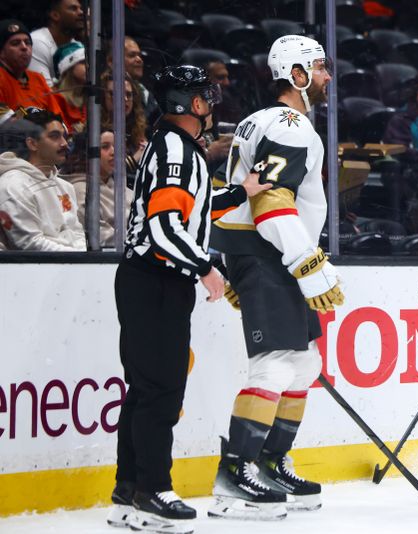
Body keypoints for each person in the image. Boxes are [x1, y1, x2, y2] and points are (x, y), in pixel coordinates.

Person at [107, 65, 271, 533]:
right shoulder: (176, 151)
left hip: (151, 281)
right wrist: (205, 268)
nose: (210, 103)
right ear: (189, 103)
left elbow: (193, 207)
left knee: (146, 390)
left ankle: (129, 489)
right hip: (155, 280)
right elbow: (163, 228)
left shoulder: (177, 149)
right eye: (203, 96)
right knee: (160, 391)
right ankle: (152, 489)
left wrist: (241, 191)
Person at [208, 35, 343, 520]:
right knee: (274, 365)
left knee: (303, 363)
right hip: (272, 254)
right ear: (299, 75)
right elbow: (269, 202)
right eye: (321, 68)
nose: (328, 77)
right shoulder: (289, 125)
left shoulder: (262, 120)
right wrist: (307, 262)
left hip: (266, 255)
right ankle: (236, 473)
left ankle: (269, 459)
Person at [0, 107, 84, 251]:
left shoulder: (65, 186)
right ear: (32, 143)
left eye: (64, 136)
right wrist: (78, 259)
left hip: (73, 266)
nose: (64, 143)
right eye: (54, 136)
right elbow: (30, 243)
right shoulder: (12, 186)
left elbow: (77, 233)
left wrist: (83, 257)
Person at [62, 129, 131, 247]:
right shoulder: (79, 190)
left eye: (117, 146)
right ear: (87, 153)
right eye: (105, 147)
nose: (114, 152)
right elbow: (98, 235)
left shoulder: (126, 189)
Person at [0, 19, 66, 118]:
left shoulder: (38, 78)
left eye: (27, 42)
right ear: (1, 52)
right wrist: (30, 115)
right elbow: (5, 120)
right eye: (15, 43)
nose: (24, 47)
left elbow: (57, 115)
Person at [100, 70, 147, 186]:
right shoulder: (92, 131)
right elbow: (105, 171)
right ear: (102, 97)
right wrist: (136, 158)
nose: (125, 99)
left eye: (129, 95)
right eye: (116, 93)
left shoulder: (138, 131)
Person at [29, 0, 84, 86]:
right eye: (73, 9)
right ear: (55, 15)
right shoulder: (37, 42)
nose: (81, 12)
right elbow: (44, 92)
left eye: (80, 8)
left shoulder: (77, 46)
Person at [52, 40, 86, 131]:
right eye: (83, 62)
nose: (89, 66)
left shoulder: (90, 97)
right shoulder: (54, 98)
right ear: (69, 67)